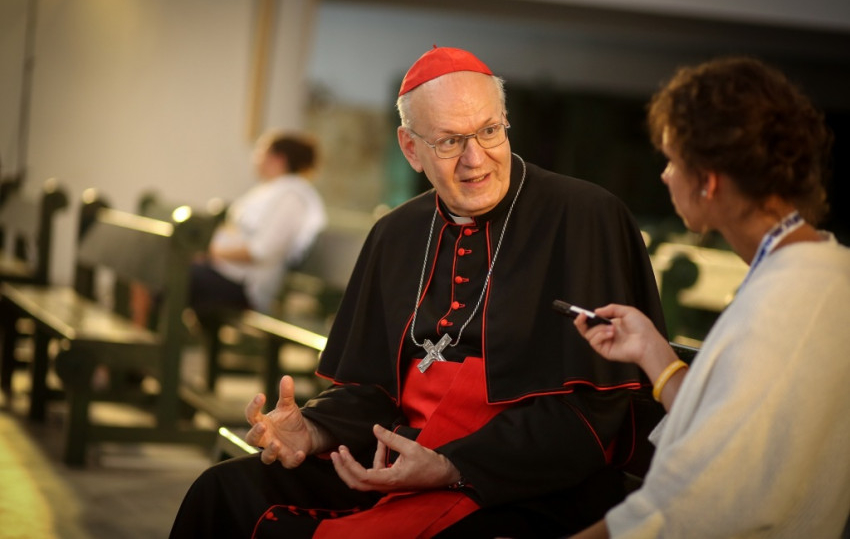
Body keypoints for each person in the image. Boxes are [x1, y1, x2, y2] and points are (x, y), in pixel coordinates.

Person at [170, 46, 666, 538]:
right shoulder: (396, 232)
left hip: (526, 482)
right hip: (398, 458)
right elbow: (371, 390)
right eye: (449, 141)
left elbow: (597, 410)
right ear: (411, 149)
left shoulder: (586, 217)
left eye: (489, 131)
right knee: (223, 491)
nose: (475, 159)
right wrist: (315, 429)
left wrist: (452, 465)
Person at [571, 57, 850, 538]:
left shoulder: (779, 308)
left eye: (673, 160)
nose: (665, 176)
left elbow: (685, 506)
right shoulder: (822, 270)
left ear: (708, 181)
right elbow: (732, 437)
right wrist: (652, 351)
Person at [189, 131, 327, 316]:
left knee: (175, 276)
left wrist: (211, 253)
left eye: (260, 152)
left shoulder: (291, 197)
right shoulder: (271, 190)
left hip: (245, 287)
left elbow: (262, 251)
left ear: (278, 159)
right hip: (225, 274)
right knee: (169, 271)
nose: (254, 158)